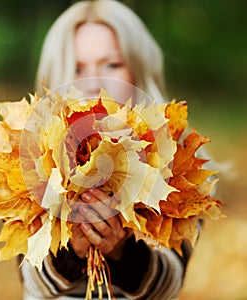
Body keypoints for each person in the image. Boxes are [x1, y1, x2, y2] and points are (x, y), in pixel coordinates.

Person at [19, 1, 193, 299]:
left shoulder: (177, 159)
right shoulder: (34, 158)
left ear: (138, 72)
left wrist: (122, 253)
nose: (94, 83)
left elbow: (170, 280)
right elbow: (31, 280)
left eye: (112, 64)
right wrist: (71, 250)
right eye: (77, 67)